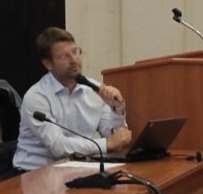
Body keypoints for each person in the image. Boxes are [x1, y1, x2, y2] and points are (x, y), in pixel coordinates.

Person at [13, 27, 133, 170]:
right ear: (48, 64)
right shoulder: (36, 97)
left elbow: (113, 136)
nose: (74, 60)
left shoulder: (93, 89)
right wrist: (107, 144)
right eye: (64, 56)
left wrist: (117, 110)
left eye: (75, 52)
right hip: (35, 172)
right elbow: (58, 147)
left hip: (80, 167)